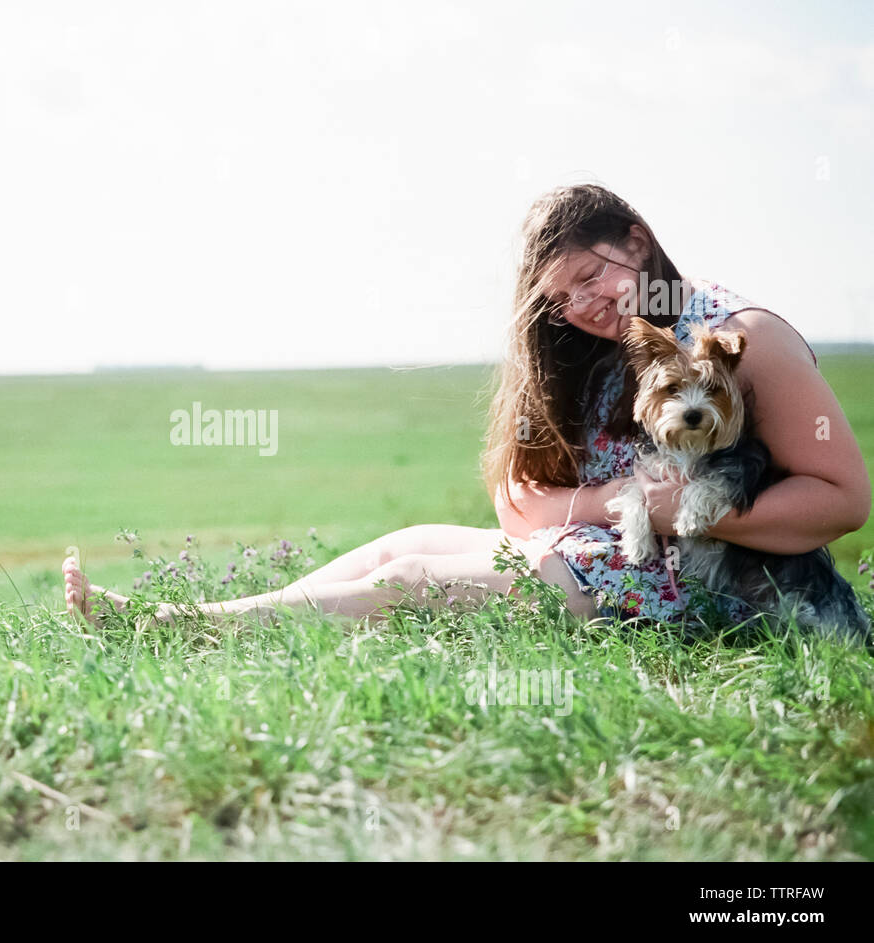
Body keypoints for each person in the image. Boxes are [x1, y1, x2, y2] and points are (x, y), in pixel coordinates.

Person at [64, 184, 870, 628]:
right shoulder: (593, 354)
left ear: (635, 238)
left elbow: (843, 498)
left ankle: (181, 627)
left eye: (593, 277)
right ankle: (197, 615)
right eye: (562, 298)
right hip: (608, 552)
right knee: (404, 541)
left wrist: (677, 512)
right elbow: (522, 506)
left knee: (415, 576)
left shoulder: (741, 335)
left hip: (705, 587)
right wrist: (602, 503)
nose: (585, 306)